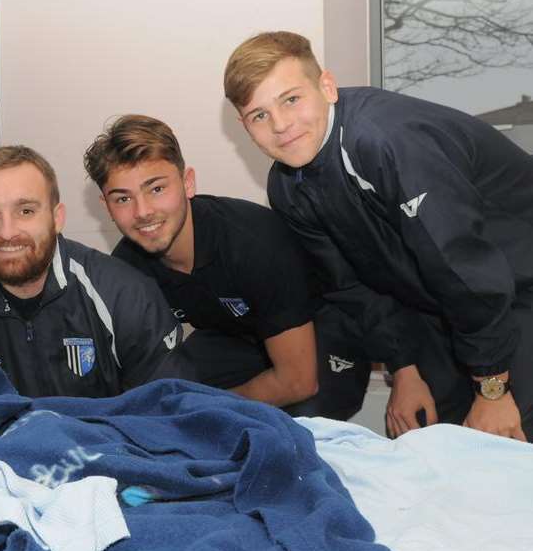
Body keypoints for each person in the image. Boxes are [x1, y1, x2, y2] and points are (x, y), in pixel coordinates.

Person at [223, 30, 533, 441]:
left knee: (500, 452)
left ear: (327, 87)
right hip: (449, 307)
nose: (280, 125)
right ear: (245, 126)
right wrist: (404, 367)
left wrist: (492, 388)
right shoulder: (287, 187)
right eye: (259, 115)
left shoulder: (386, 141)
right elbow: (351, 286)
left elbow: (460, 262)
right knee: (430, 442)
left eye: (291, 99)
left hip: (514, 290)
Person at [84, 115, 368, 419]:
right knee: (162, 393)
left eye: (156, 189)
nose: (143, 212)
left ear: (187, 182)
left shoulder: (253, 242)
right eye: (123, 199)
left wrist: (206, 412)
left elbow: (298, 382)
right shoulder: (126, 269)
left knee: (289, 427)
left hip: (321, 335)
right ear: (106, 207)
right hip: (238, 338)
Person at [0, 145, 182, 406]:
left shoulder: (124, 297)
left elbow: (169, 417)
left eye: (25, 211)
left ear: (57, 218)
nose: (7, 232)